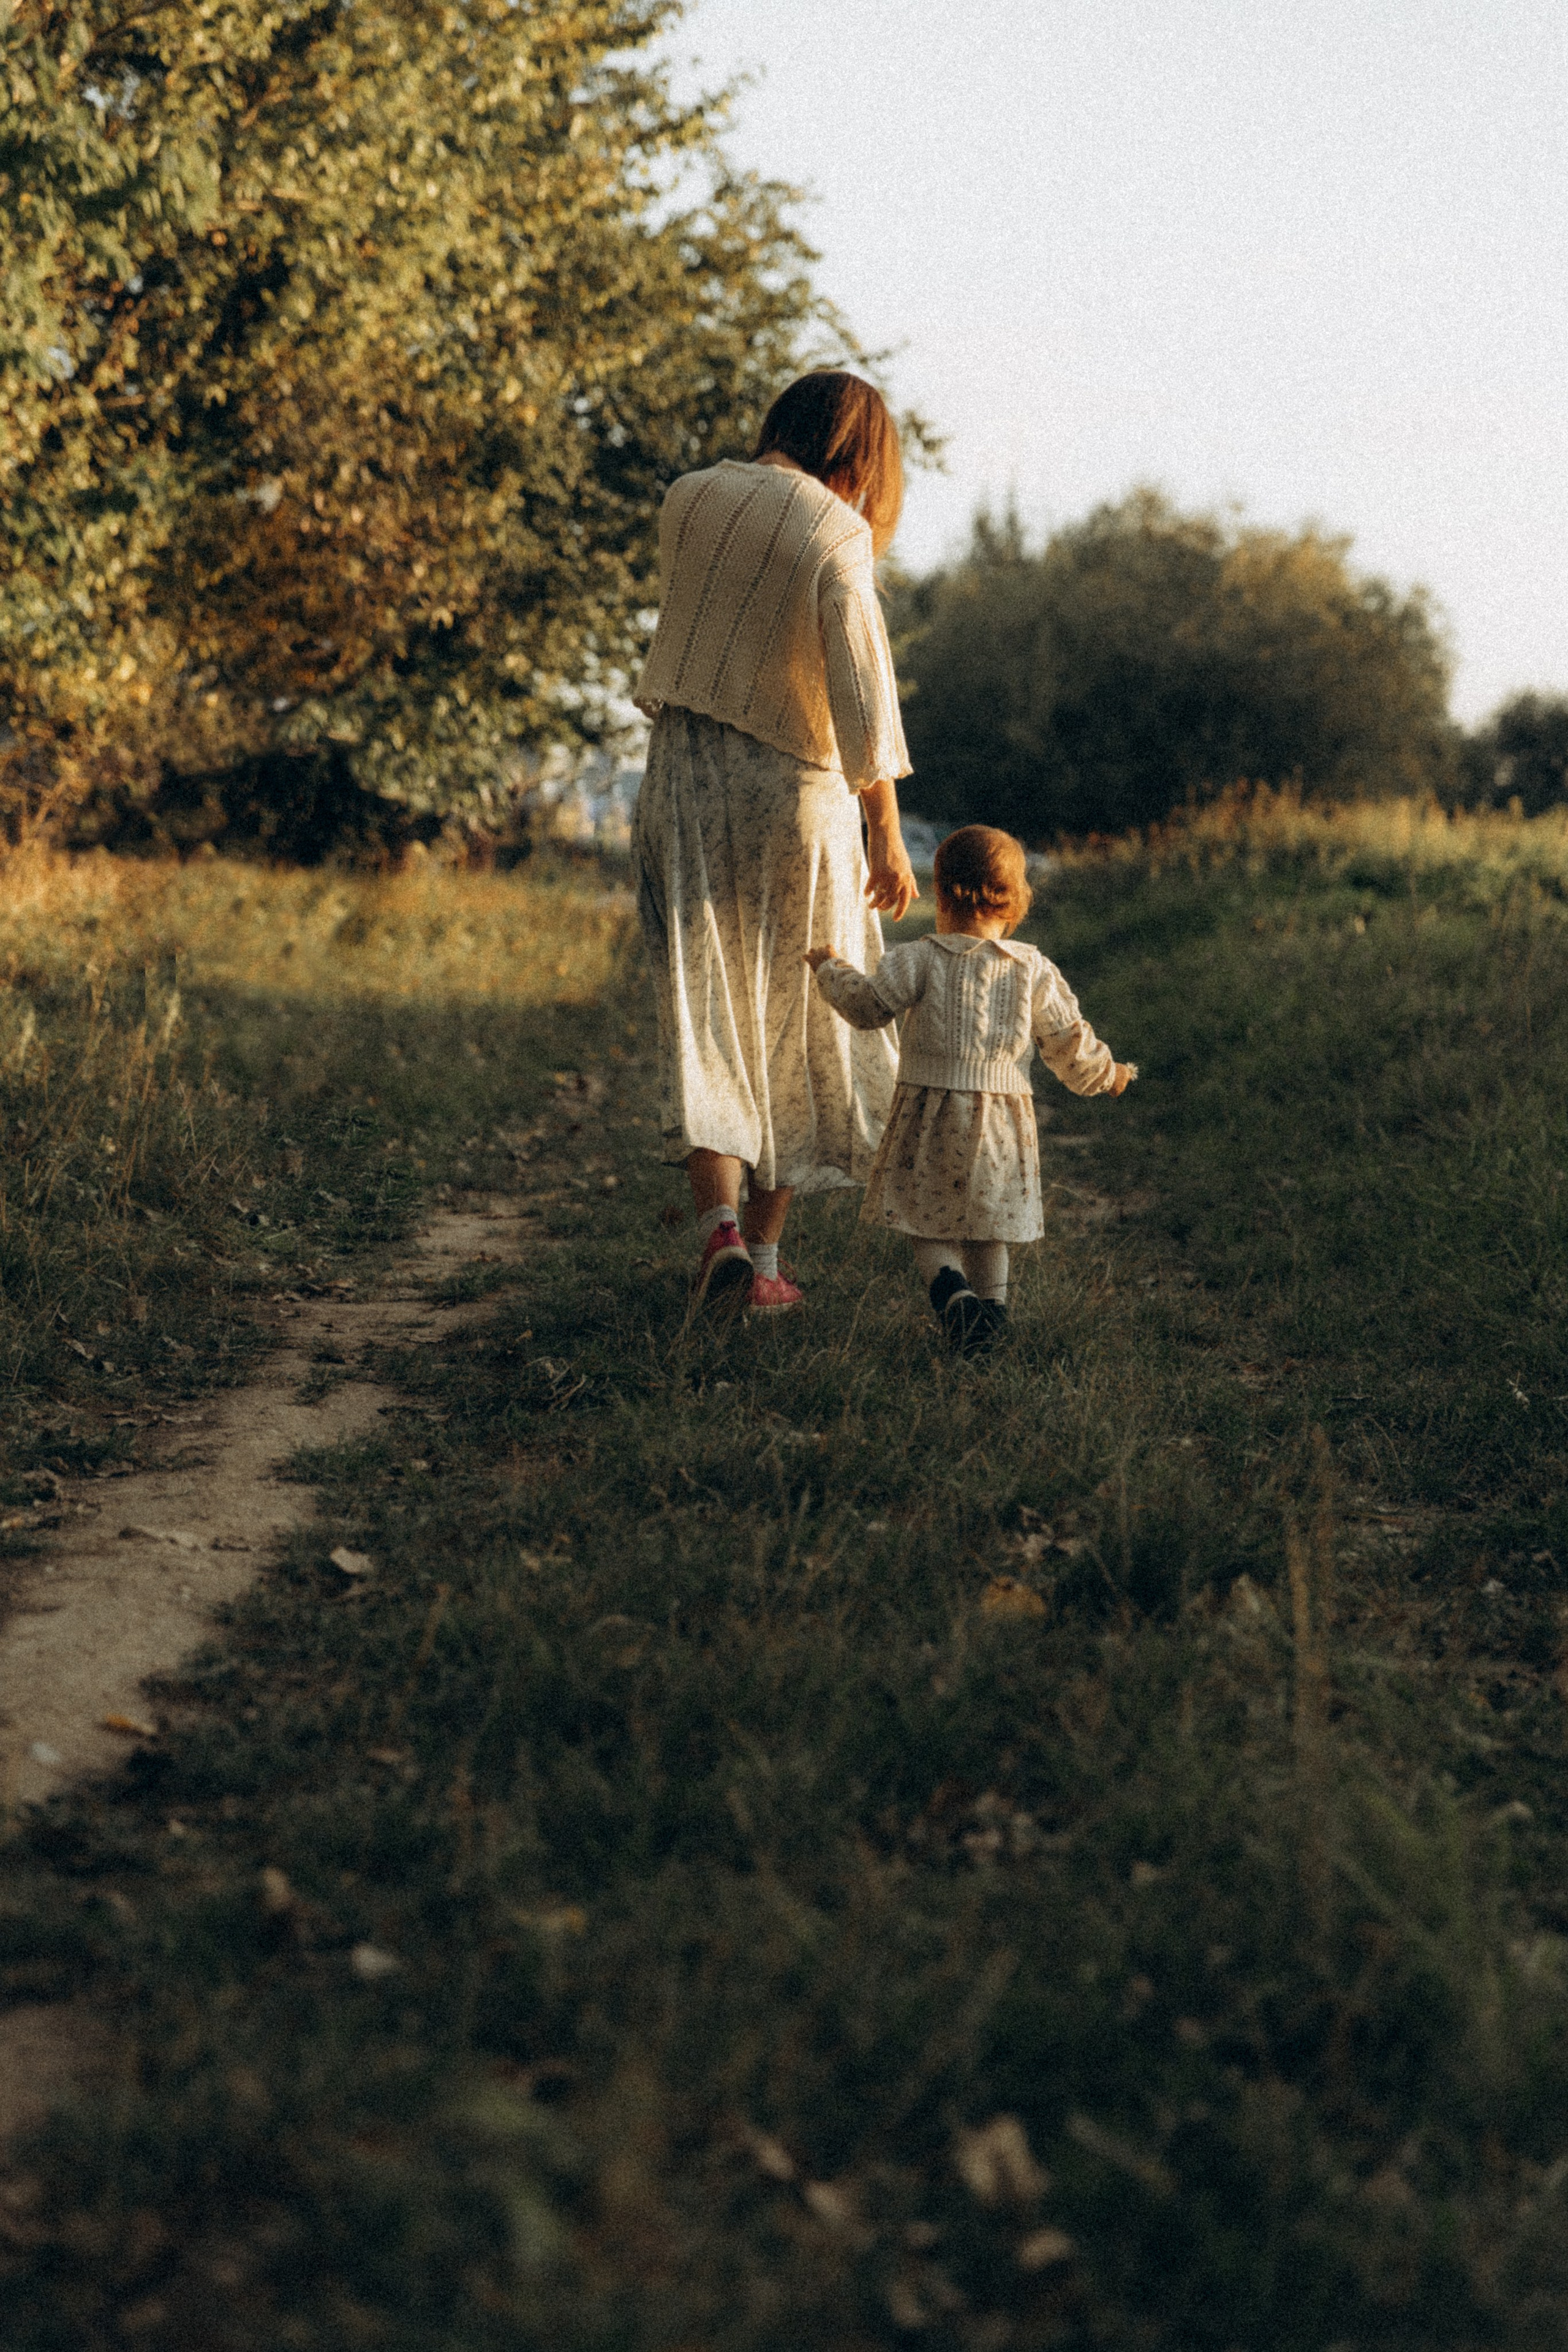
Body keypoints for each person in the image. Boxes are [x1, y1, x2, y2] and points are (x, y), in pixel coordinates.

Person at [631, 371, 919, 1314]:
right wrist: (886, 831)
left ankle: (715, 1231)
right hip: (797, 789)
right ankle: (761, 1264)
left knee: (706, 1000)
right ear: (860, 453)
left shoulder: (690, 497)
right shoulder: (832, 529)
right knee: (797, 1021)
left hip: (684, 774)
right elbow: (862, 696)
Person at [805, 824, 1137, 1354]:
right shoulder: (1033, 969)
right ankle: (992, 1318)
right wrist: (1109, 1073)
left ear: (940, 893)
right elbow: (1068, 1044)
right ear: (1016, 899)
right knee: (990, 1227)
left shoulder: (917, 959)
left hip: (927, 1115)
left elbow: (867, 1007)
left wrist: (829, 969)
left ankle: (954, 1296)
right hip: (1003, 1125)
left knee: (925, 1219)